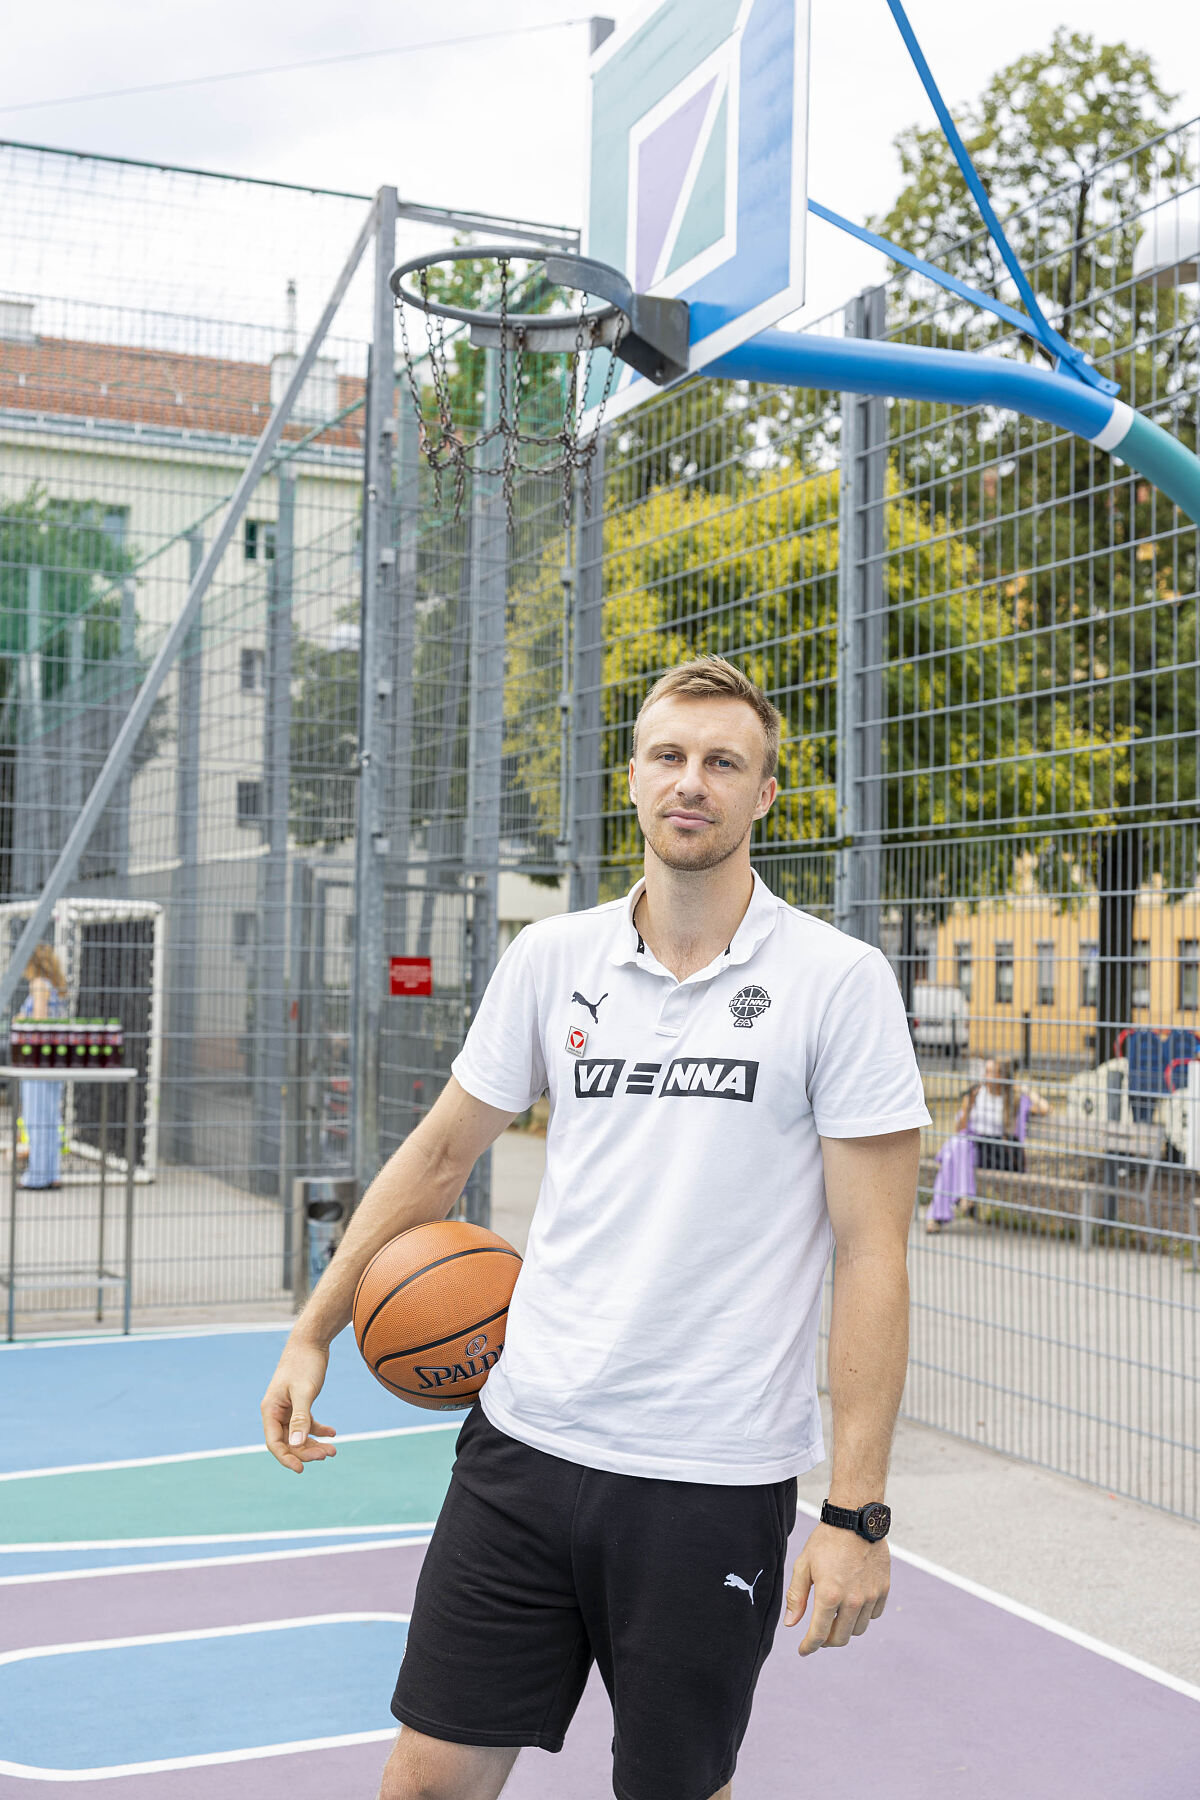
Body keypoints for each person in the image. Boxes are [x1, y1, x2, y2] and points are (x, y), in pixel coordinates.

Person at [261, 656, 930, 1800]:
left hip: (707, 1474)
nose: (692, 781)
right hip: (522, 1445)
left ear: (763, 795)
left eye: (724, 763)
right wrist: (314, 1326)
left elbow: (874, 1255)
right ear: (633, 779)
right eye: (669, 756)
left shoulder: (839, 982)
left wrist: (856, 1512)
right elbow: (438, 1158)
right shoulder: (553, 957)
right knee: (423, 1782)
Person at [927, 1057, 1051, 1233]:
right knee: (956, 1147)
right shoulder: (976, 1094)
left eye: (991, 1071)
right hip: (973, 1148)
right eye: (986, 1070)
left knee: (954, 1150)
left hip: (997, 1152)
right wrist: (968, 1107)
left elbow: (1045, 1108)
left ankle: (938, 1214)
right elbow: (959, 1128)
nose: (985, 1075)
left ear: (1003, 1075)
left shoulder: (1013, 1098)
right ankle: (962, 1197)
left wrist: (1024, 1089)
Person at [18, 943, 69, 1190]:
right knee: (50, 1119)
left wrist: (22, 1020)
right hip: (54, 1060)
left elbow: (39, 1021)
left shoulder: (38, 984)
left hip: (37, 1061)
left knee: (36, 1118)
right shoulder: (56, 987)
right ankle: (52, 1172)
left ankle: (37, 1176)